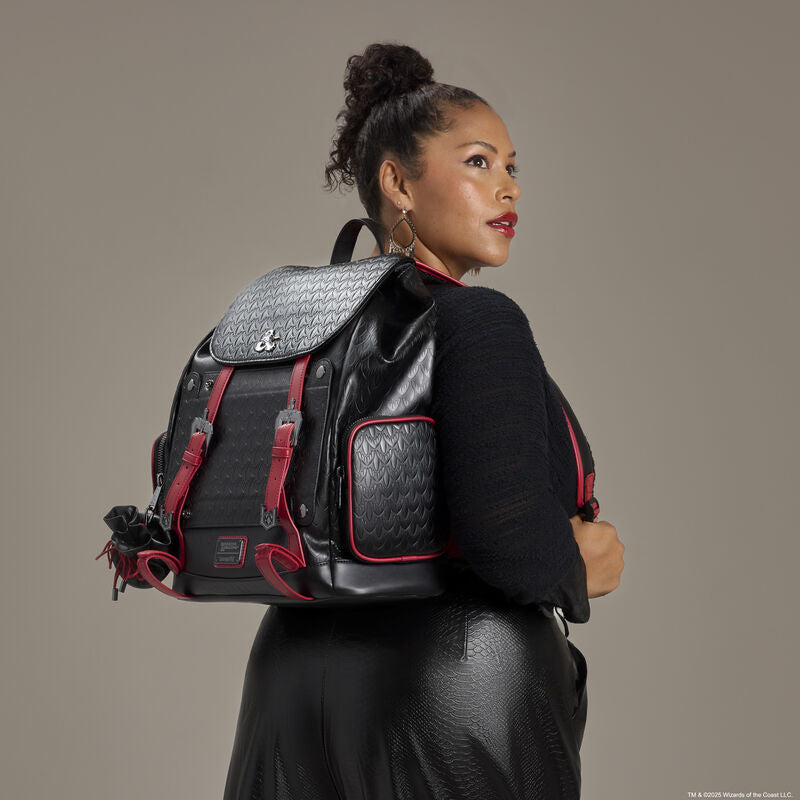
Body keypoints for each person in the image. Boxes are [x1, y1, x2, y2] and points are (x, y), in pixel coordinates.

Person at [223, 42, 625, 800]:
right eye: (478, 162)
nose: (508, 187)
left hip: (290, 678)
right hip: (456, 687)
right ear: (398, 184)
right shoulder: (478, 321)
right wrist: (579, 563)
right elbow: (510, 542)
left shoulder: (311, 327)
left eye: (512, 167)